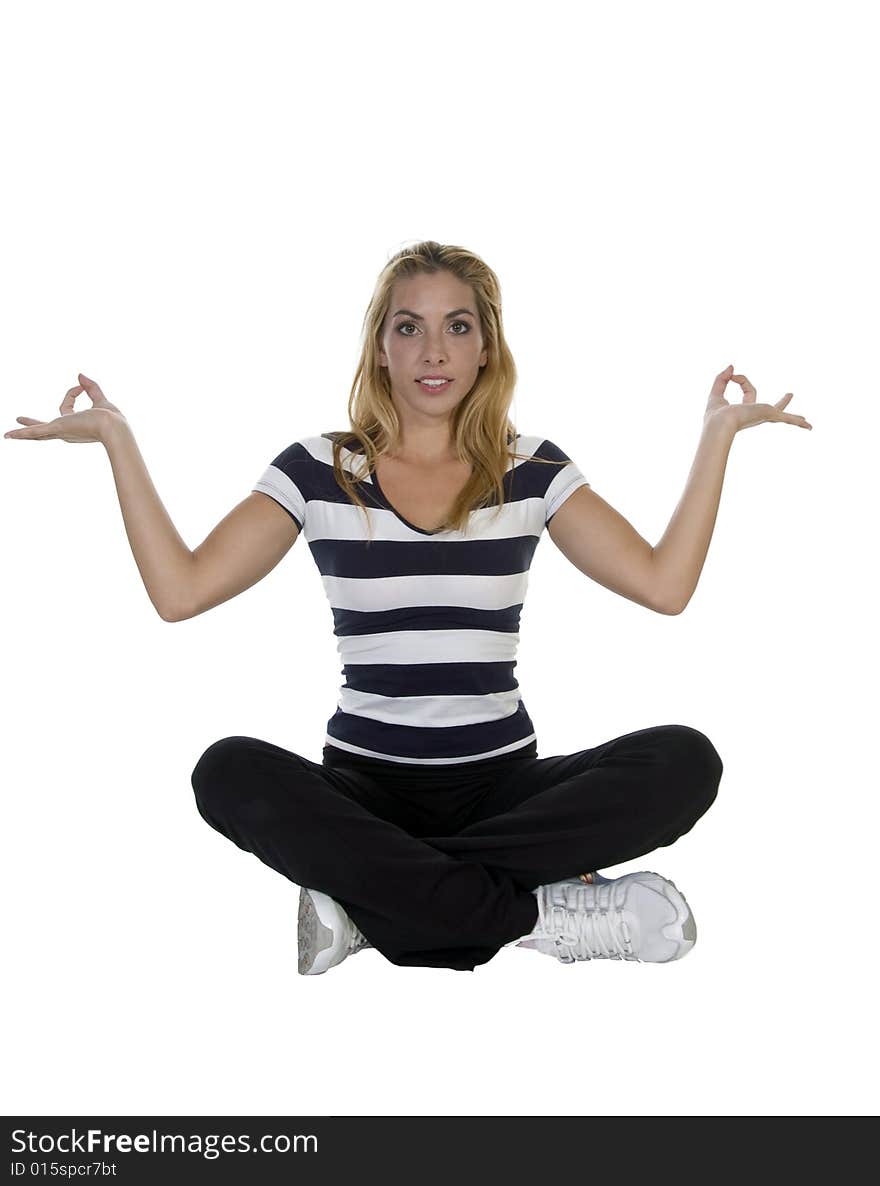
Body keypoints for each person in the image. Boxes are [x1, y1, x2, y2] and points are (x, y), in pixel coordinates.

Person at [4, 240, 811, 975]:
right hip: (365, 788)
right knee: (227, 772)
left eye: (457, 327)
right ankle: (535, 914)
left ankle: (371, 900)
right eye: (409, 327)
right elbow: (180, 593)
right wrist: (116, 438)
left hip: (505, 786)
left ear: (486, 346)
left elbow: (663, 586)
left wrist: (717, 436)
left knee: (684, 759)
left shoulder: (529, 469)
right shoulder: (321, 469)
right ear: (380, 347)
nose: (434, 351)